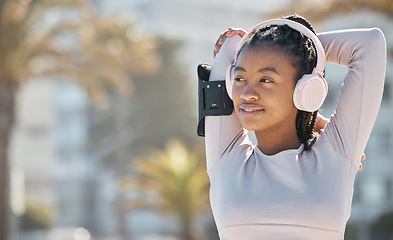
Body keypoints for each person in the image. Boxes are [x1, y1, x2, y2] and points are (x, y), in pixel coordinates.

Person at [201, 14, 386, 239]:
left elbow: (371, 44)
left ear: (305, 87)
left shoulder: (337, 154)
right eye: (240, 79)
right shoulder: (225, 158)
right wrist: (272, 45)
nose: (247, 94)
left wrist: (301, 51)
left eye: (266, 79)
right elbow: (228, 48)